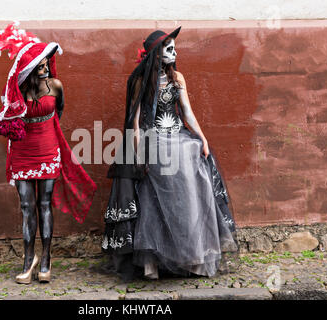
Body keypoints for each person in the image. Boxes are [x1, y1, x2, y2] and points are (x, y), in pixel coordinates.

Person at [102, 27, 238, 281]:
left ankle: (194, 258)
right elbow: (135, 119)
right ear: (156, 53)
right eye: (169, 49)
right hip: (154, 140)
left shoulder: (178, 78)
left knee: (189, 193)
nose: (175, 53)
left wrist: (202, 137)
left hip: (179, 138)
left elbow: (186, 111)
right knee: (152, 200)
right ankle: (150, 261)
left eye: (175, 48)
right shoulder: (143, 81)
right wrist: (137, 148)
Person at [0, 22, 97, 284]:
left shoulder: (56, 85)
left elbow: (59, 111)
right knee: (27, 206)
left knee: (44, 204)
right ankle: (29, 261)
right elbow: (8, 119)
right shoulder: (16, 91)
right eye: (40, 66)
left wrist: (46, 130)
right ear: (28, 70)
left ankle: (47, 259)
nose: (46, 69)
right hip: (22, 152)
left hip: (49, 148)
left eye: (47, 65)